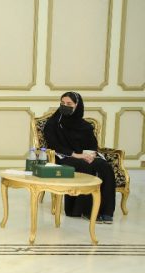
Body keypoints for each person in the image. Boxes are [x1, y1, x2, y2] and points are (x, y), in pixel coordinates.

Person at [44, 91, 115, 223]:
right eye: (62, 103)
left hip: (85, 155)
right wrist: (77, 155)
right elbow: (54, 145)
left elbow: (93, 144)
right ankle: (84, 210)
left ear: (77, 105)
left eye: (69, 103)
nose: (65, 106)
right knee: (84, 166)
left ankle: (106, 211)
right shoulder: (53, 124)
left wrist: (91, 154)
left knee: (104, 166)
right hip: (64, 157)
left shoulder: (84, 126)